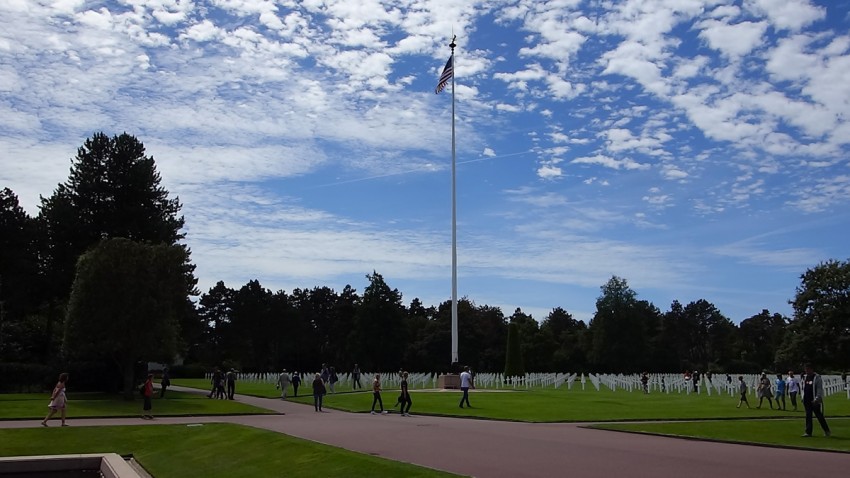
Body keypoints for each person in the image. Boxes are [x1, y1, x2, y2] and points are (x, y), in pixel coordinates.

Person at [801, 363, 830, 437]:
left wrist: (817, 398)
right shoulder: (805, 377)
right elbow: (804, 388)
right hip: (807, 400)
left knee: (819, 416)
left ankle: (826, 430)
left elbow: (819, 389)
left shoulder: (817, 378)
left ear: (811, 369)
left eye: (807, 369)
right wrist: (802, 398)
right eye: (805, 369)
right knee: (808, 416)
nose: (806, 371)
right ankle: (808, 432)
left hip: (814, 400)